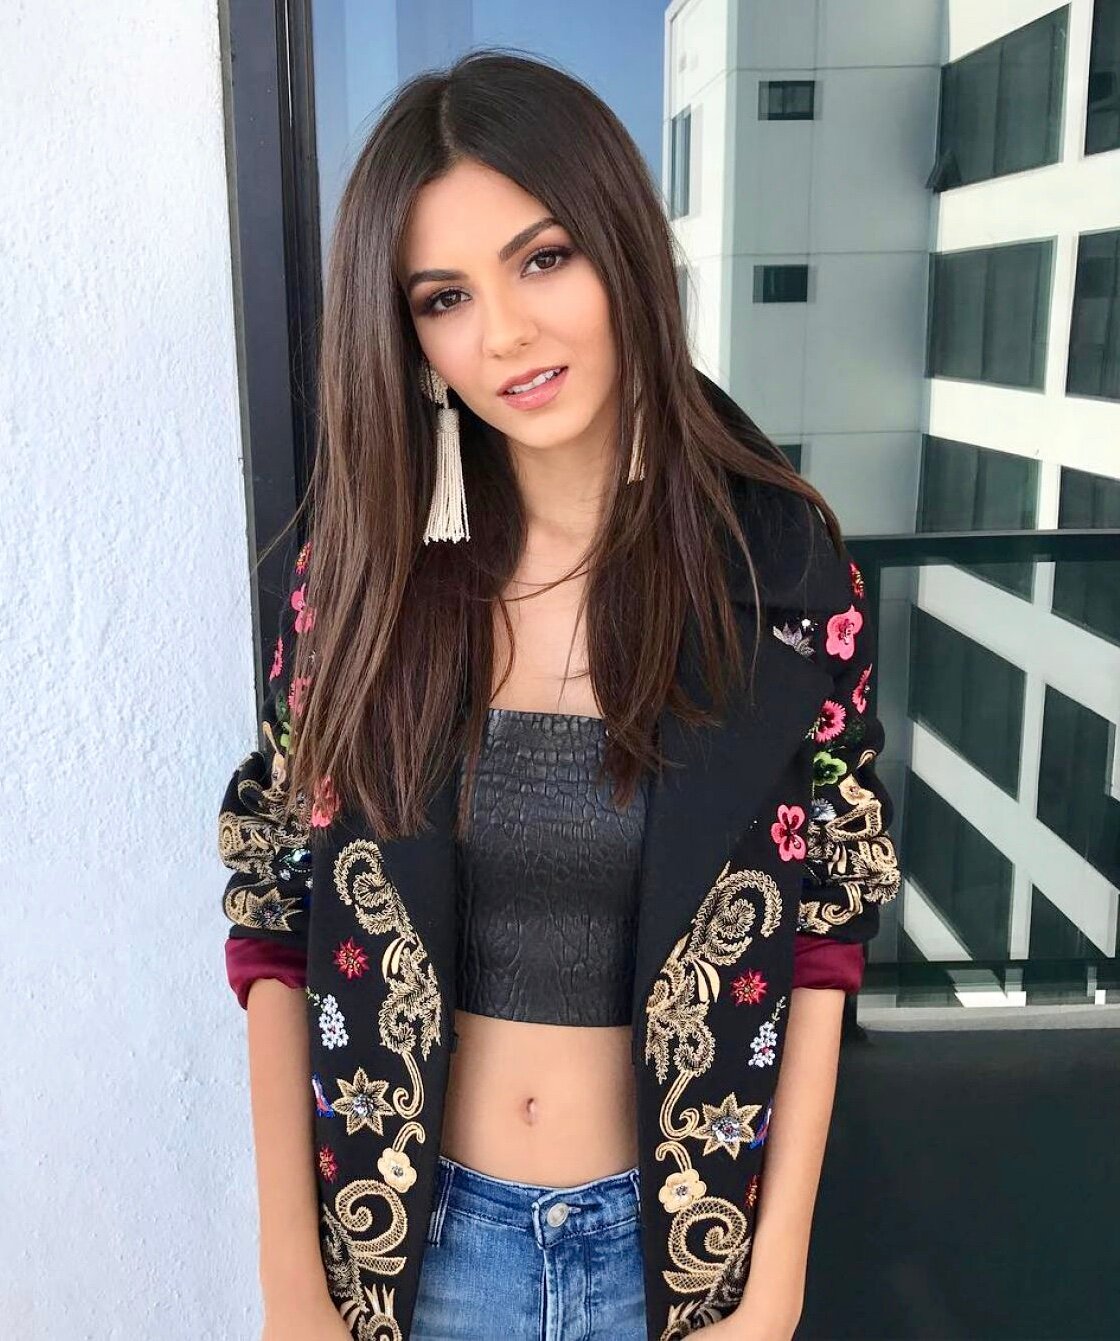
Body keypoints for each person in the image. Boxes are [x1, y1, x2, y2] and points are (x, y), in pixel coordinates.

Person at [217, 49, 901, 1341]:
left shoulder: (785, 575)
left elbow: (826, 930)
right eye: (445, 297)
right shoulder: (361, 582)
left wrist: (772, 1291)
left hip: (673, 1261)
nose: (506, 334)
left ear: (622, 250)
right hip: (419, 1260)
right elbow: (276, 917)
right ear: (410, 337)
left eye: (542, 259)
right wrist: (292, 1284)